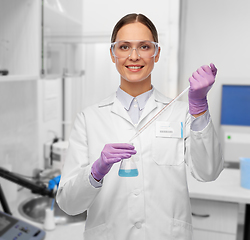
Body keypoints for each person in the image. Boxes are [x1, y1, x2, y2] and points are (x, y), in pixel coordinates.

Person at [56, 13, 223, 240]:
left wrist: (200, 108)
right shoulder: (89, 119)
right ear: (113, 54)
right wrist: (95, 172)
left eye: (144, 46)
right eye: (124, 47)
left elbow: (208, 172)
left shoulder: (182, 113)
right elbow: (69, 204)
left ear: (156, 53)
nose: (134, 56)